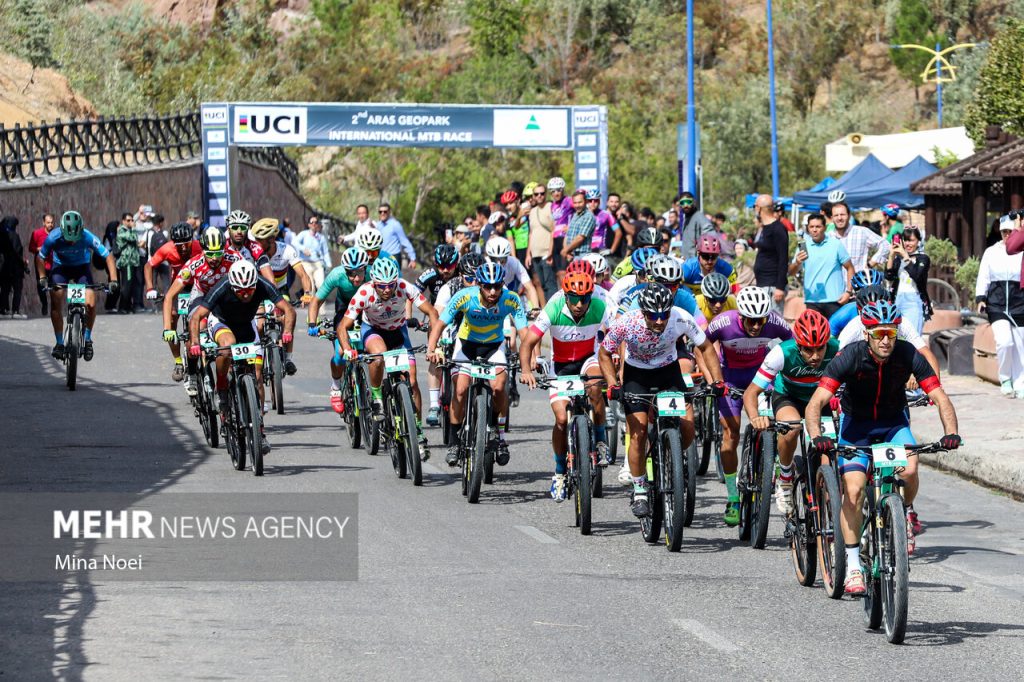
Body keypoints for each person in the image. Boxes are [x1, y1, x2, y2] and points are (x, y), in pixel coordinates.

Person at [805, 300, 961, 591]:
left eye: (891, 333)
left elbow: (939, 396)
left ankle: (902, 512)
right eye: (879, 334)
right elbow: (816, 403)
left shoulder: (908, 354)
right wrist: (817, 436)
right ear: (867, 334)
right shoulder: (849, 357)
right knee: (852, 491)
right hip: (857, 428)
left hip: (893, 425)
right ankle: (852, 565)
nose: (886, 340)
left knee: (910, 469)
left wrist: (950, 432)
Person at [598, 283, 725, 517]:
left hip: (668, 372)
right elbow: (605, 353)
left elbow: (705, 347)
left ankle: (672, 456)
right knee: (638, 432)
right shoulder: (627, 322)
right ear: (643, 312)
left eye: (663, 315)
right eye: (653, 316)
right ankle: (639, 490)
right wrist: (614, 383)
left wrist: (718, 381)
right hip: (638, 375)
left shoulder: (680, 318)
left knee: (687, 427)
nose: (659, 321)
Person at [519, 270, 615, 501]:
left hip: (588, 359)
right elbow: (528, 342)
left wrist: (617, 363)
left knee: (595, 388)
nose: (580, 304)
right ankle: (560, 472)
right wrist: (525, 370)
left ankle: (601, 440)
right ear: (565, 295)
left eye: (584, 298)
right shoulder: (553, 309)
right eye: (574, 298)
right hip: (560, 366)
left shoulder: (600, 307)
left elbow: (617, 333)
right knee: (562, 420)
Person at [188, 260, 296, 455]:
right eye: (240, 291)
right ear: (233, 285)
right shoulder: (222, 285)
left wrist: (287, 332)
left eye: (249, 290)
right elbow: (197, 317)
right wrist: (195, 342)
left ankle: (259, 429)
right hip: (222, 323)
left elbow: (288, 310)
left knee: (256, 375)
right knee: (227, 346)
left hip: (247, 325)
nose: (246, 294)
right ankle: (222, 388)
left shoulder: (262, 284)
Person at [426, 261, 528, 467]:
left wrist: (529, 359)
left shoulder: (511, 299)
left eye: (497, 286)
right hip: (466, 345)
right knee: (461, 390)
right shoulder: (465, 296)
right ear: (479, 285)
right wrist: (431, 349)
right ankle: (454, 443)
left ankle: (495, 431)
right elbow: (440, 323)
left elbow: (525, 333)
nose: (492, 291)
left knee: (500, 387)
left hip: (494, 346)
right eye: (487, 286)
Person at [705, 286, 792, 525]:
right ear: (740, 315)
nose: (756, 327)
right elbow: (700, 347)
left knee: (772, 424)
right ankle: (733, 496)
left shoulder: (775, 321)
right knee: (730, 434)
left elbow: (793, 346)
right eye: (751, 321)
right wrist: (714, 379)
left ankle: (771, 465)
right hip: (730, 378)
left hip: (761, 377)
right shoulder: (723, 321)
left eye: (760, 322)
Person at [339, 257, 438, 449]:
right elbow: (343, 326)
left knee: (412, 381)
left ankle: (417, 428)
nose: (387, 290)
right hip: (373, 330)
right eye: (382, 286)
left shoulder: (404, 286)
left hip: (397, 331)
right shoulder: (364, 292)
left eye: (390, 285)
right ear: (374, 282)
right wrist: (347, 349)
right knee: (379, 355)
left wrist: (434, 346)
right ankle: (376, 397)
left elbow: (433, 313)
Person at [744, 309, 837, 514]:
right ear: (797, 345)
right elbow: (751, 393)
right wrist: (755, 418)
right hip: (789, 398)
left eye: (820, 349)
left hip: (820, 402)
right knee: (792, 428)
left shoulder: (837, 349)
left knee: (829, 451)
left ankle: (828, 492)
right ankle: (785, 478)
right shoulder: (781, 353)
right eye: (808, 350)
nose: (815, 356)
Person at [37, 211, 119, 360]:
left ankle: (87, 340)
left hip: (81, 268)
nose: (72, 242)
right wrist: (42, 277)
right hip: (60, 267)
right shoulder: (53, 237)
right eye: (69, 239)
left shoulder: (87, 236)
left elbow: (107, 256)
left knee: (90, 302)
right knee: (57, 298)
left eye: (75, 239)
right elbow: (40, 257)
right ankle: (60, 343)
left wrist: (113, 280)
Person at [307, 247, 369, 413]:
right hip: (344, 309)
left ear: (366, 268)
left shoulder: (372, 275)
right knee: (341, 352)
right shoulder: (336, 274)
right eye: (351, 273)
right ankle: (336, 387)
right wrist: (312, 323)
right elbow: (316, 300)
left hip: (366, 309)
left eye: (360, 273)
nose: (356, 278)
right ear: (345, 270)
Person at [147, 222, 203, 382]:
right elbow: (148, 265)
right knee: (171, 317)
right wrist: (150, 288)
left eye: (187, 243)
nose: (184, 247)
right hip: (179, 286)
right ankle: (178, 361)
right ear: (173, 243)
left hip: (198, 284)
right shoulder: (167, 249)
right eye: (179, 245)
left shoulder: (199, 247)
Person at [976, 214, 1024, 397]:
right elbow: (983, 276)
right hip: (997, 303)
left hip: (1019, 301)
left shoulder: (1022, 250)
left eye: (1010, 232)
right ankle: (1005, 378)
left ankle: (1020, 383)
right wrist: (981, 297)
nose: (1007, 235)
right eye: (1004, 231)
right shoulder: (991, 252)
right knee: (1005, 342)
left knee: (1020, 346)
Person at [415, 244, 461, 425]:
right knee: (435, 356)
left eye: (448, 267)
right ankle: (434, 404)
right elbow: (412, 295)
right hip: (437, 316)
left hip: (461, 316)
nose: (444, 270)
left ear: (456, 264)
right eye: (440, 266)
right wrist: (411, 318)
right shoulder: (430, 274)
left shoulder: (462, 274)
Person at [789, 212, 854, 319]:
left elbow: (850, 268)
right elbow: (791, 273)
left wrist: (848, 292)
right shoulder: (803, 247)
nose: (814, 230)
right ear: (808, 228)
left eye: (818, 226)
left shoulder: (835, 244)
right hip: (812, 301)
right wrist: (797, 263)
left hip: (835, 300)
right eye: (811, 227)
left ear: (824, 227)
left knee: (836, 335)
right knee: (814, 334)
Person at [885, 227, 931, 336]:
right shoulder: (898, 259)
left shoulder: (923, 258)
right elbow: (888, 276)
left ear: (918, 241)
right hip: (896, 299)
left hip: (913, 299)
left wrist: (905, 256)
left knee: (912, 337)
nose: (907, 244)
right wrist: (891, 256)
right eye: (905, 240)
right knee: (896, 337)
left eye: (911, 240)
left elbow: (917, 275)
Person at [752, 195, 790, 311]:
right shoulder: (763, 227)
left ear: (759, 208)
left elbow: (783, 259)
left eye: (754, 206)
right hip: (762, 283)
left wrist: (780, 287)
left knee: (774, 323)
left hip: (773, 286)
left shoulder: (778, 229)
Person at [830, 201, 889, 272]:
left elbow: (885, 245)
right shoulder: (828, 237)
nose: (839, 218)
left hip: (858, 280)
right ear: (832, 218)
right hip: (837, 282)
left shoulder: (862, 232)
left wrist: (871, 263)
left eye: (842, 214)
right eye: (836, 215)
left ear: (849, 216)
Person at [526, 182, 557, 303]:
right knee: (541, 284)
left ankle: (555, 312)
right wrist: (528, 254)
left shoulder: (551, 207)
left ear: (545, 194)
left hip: (546, 252)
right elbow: (531, 233)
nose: (539, 196)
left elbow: (554, 230)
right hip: (535, 253)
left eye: (542, 193)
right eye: (536, 194)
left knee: (550, 284)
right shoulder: (532, 211)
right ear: (533, 196)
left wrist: (550, 251)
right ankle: (546, 311)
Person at [294, 214, 333, 292]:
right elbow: (294, 242)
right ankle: (313, 304)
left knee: (321, 286)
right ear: (309, 224)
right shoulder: (304, 234)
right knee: (310, 288)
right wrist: (303, 249)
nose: (314, 224)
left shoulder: (321, 237)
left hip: (318, 264)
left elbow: (325, 252)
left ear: (318, 224)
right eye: (312, 222)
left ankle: (322, 304)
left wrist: (329, 264)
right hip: (306, 263)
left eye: (316, 222)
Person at [28, 213, 56, 315]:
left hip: (54, 264)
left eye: (52, 222)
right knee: (41, 286)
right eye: (48, 222)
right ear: (44, 223)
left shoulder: (57, 234)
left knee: (54, 286)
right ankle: (44, 303)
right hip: (41, 265)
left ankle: (54, 306)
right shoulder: (36, 233)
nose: (50, 225)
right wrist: (38, 249)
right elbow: (30, 248)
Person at [675, 191, 716, 259]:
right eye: (682, 202)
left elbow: (712, 237)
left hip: (697, 263)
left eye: (688, 202)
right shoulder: (687, 219)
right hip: (688, 262)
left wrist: (702, 257)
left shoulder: (699, 217)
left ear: (694, 202)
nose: (685, 205)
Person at [114, 213, 142, 314]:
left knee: (131, 285)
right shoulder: (122, 230)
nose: (131, 222)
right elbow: (133, 238)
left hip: (133, 262)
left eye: (132, 220)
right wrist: (134, 229)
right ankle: (122, 307)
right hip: (126, 262)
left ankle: (128, 306)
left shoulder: (130, 231)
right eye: (128, 220)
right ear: (123, 221)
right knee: (126, 285)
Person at [376, 203, 417, 269]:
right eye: (380, 212)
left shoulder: (395, 225)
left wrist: (413, 258)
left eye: (385, 211)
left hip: (393, 257)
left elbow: (404, 241)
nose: (382, 213)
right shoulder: (378, 225)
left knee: (395, 279)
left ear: (389, 212)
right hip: (381, 257)